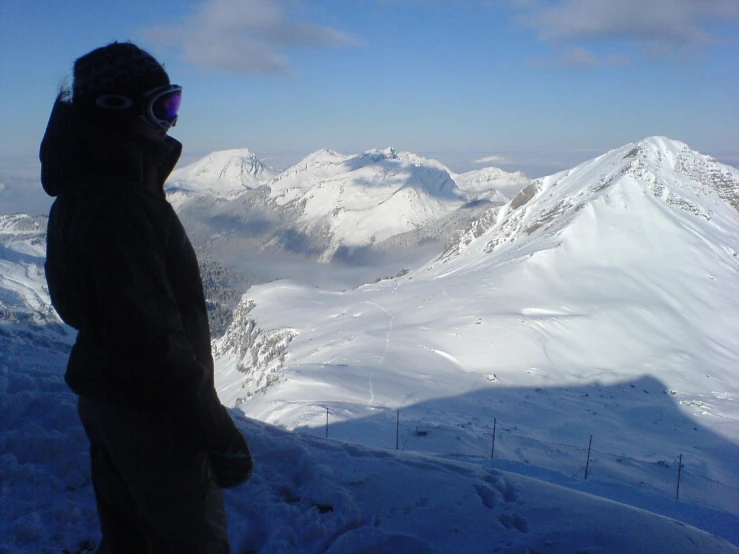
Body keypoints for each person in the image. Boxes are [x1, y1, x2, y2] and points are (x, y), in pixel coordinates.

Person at [40, 42, 252, 553]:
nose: (170, 123)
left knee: (130, 536)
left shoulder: (89, 189)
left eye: (173, 104)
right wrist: (218, 433)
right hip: (154, 418)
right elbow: (153, 342)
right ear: (116, 109)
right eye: (162, 107)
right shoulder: (119, 205)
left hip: (111, 400)